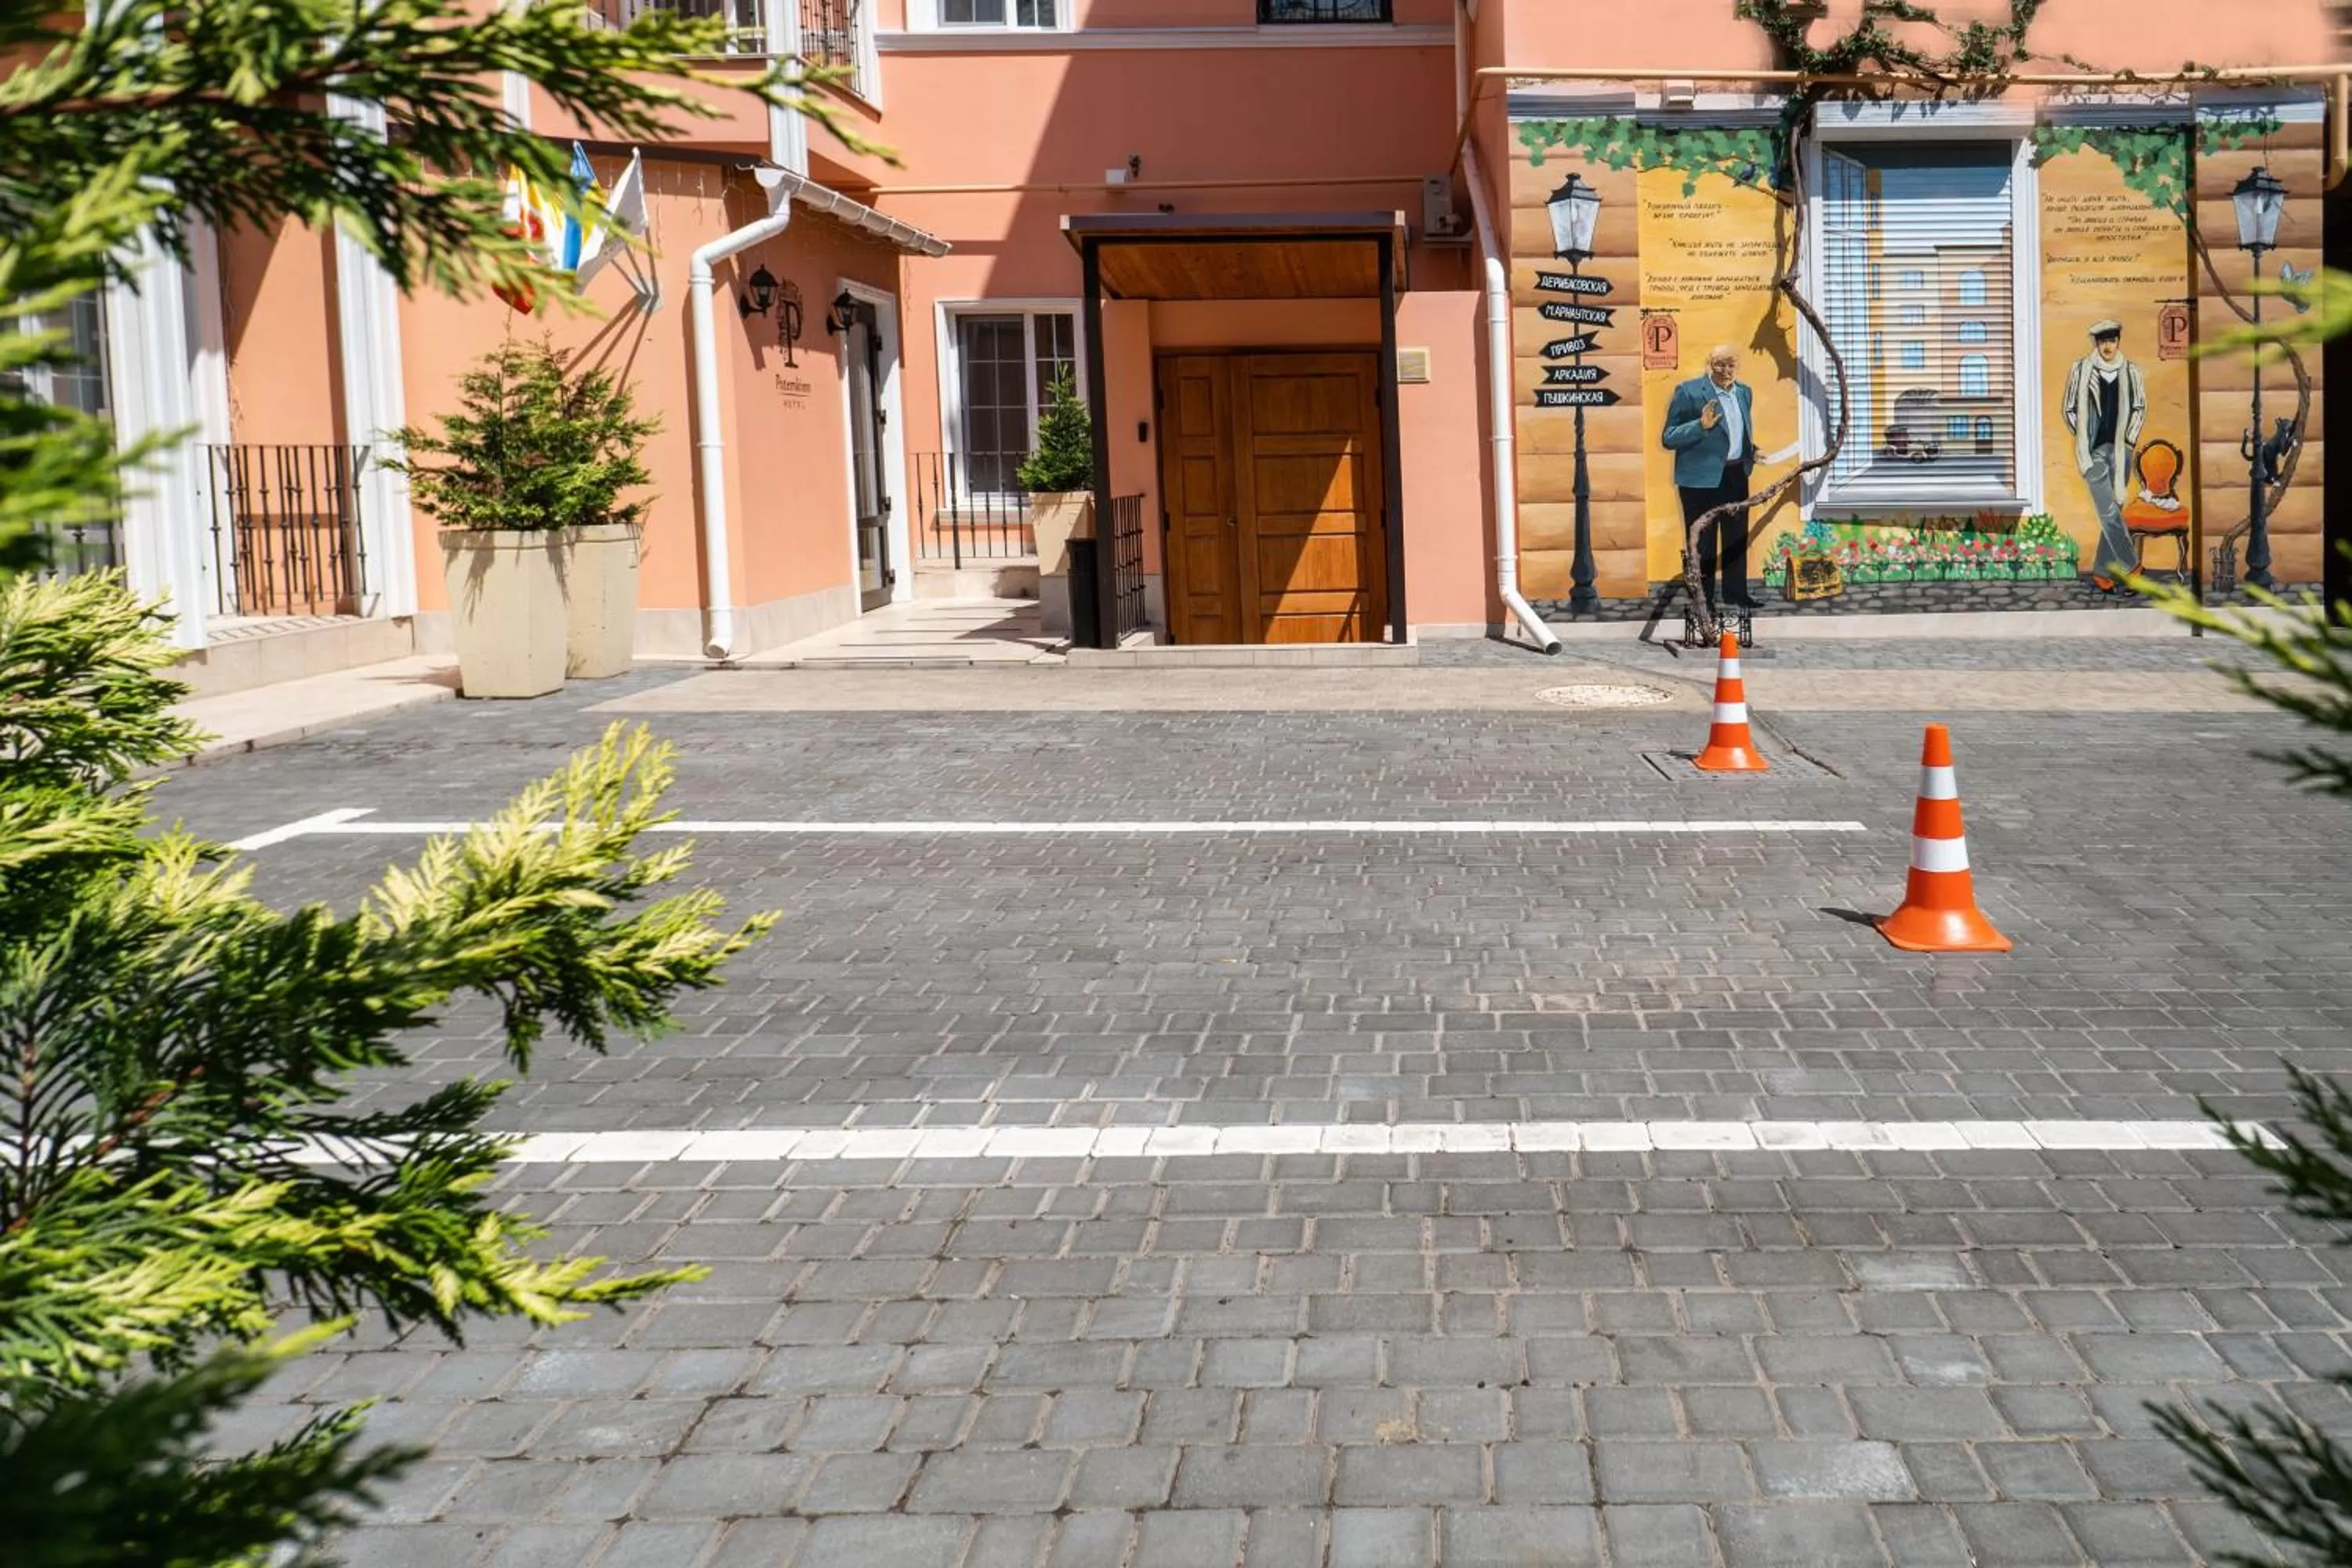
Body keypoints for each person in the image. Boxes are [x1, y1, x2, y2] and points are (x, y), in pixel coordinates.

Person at [1661, 343, 1760, 611]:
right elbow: (1668, 438)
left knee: (1736, 536)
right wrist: (1699, 426)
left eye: (1731, 365)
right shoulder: (1689, 391)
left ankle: (1736, 593)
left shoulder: (1744, 393)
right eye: (1720, 365)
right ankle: (1704, 601)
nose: (1726, 371)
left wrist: (1750, 450)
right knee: (1703, 541)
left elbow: (1738, 431)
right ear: (1710, 365)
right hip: (1699, 480)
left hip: (1736, 474)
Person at [2061, 320, 2147, 593]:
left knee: (2113, 510)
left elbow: (2139, 407)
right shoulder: (2081, 369)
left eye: (2112, 340)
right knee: (2108, 509)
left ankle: (2101, 571)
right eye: (2102, 341)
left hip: (2122, 450)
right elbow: (2069, 408)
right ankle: (2132, 566)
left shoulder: (2131, 370)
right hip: (2094, 451)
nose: (2107, 346)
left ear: (2118, 341)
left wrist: (2129, 440)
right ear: (2096, 344)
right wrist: (2083, 436)